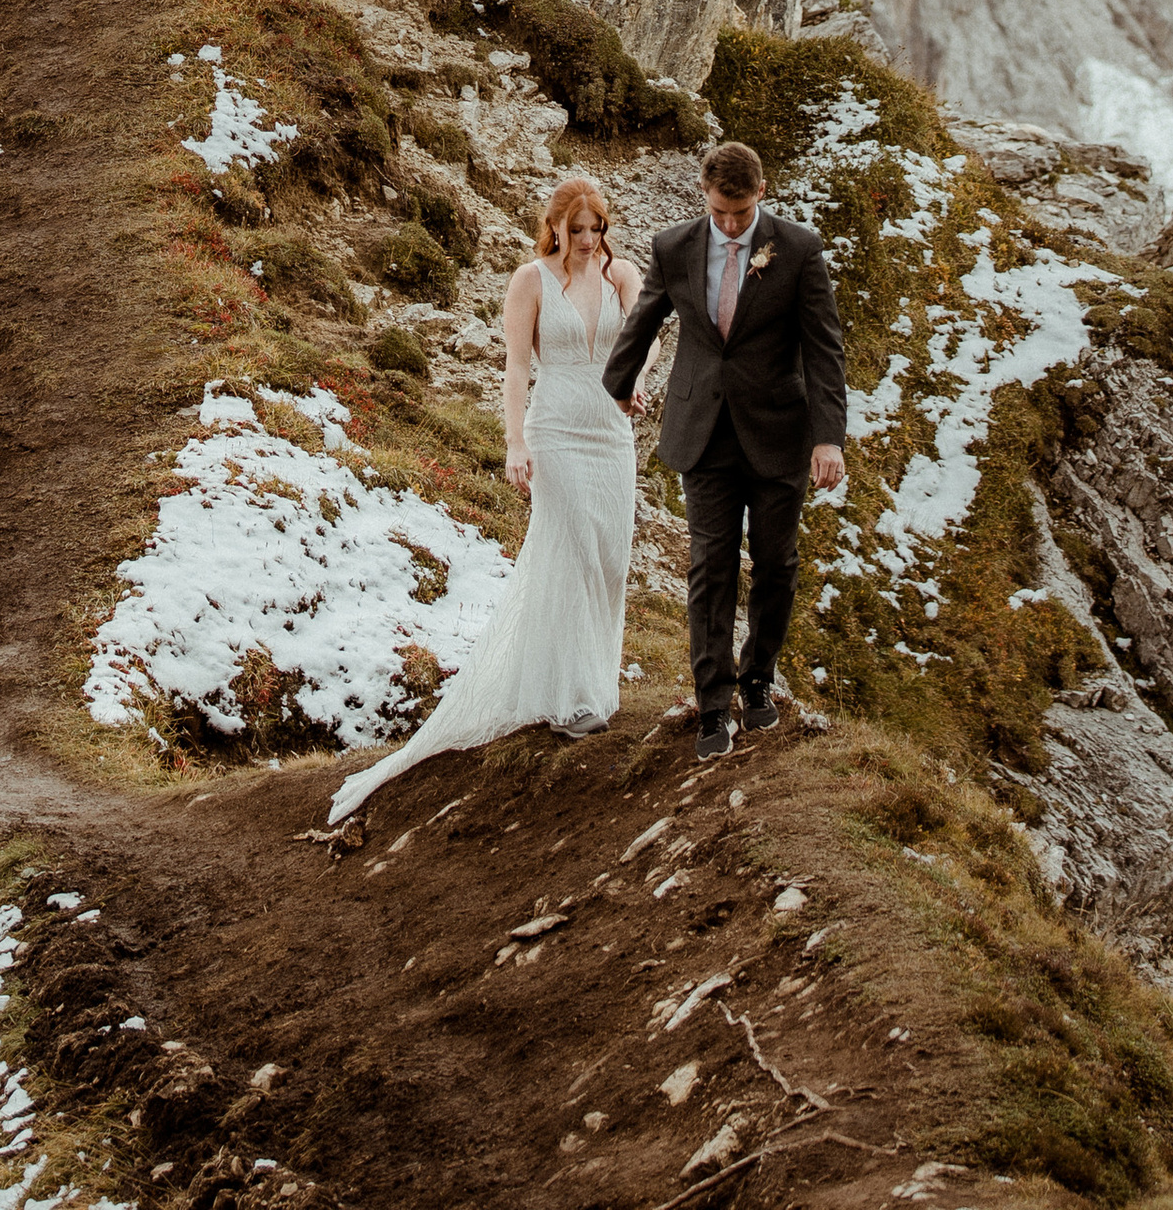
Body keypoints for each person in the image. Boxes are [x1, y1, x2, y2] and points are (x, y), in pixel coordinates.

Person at [326, 175, 639, 824]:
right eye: (576, 231)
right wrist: (515, 445)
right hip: (555, 432)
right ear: (555, 227)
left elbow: (648, 333)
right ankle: (575, 700)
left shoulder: (621, 277)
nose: (587, 242)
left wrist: (635, 373)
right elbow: (517, 370)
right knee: (573, 548)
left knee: (610, 556)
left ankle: (592, 686)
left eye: (597, 230)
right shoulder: (529, 281)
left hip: (611, 434)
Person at [600, 138, 846, 764]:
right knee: (711, 564)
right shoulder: (675, 246)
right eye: (719, 213)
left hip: (778, 431)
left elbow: (823, 350)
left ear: (761, 194)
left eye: (739, 213)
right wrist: (618, 386)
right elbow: (647, 318)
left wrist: (827, 438)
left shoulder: (799, 249)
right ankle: (712, 706)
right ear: (705, 197)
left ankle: (758, 677)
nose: (730, 225)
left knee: (774, 561)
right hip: (702, 428)